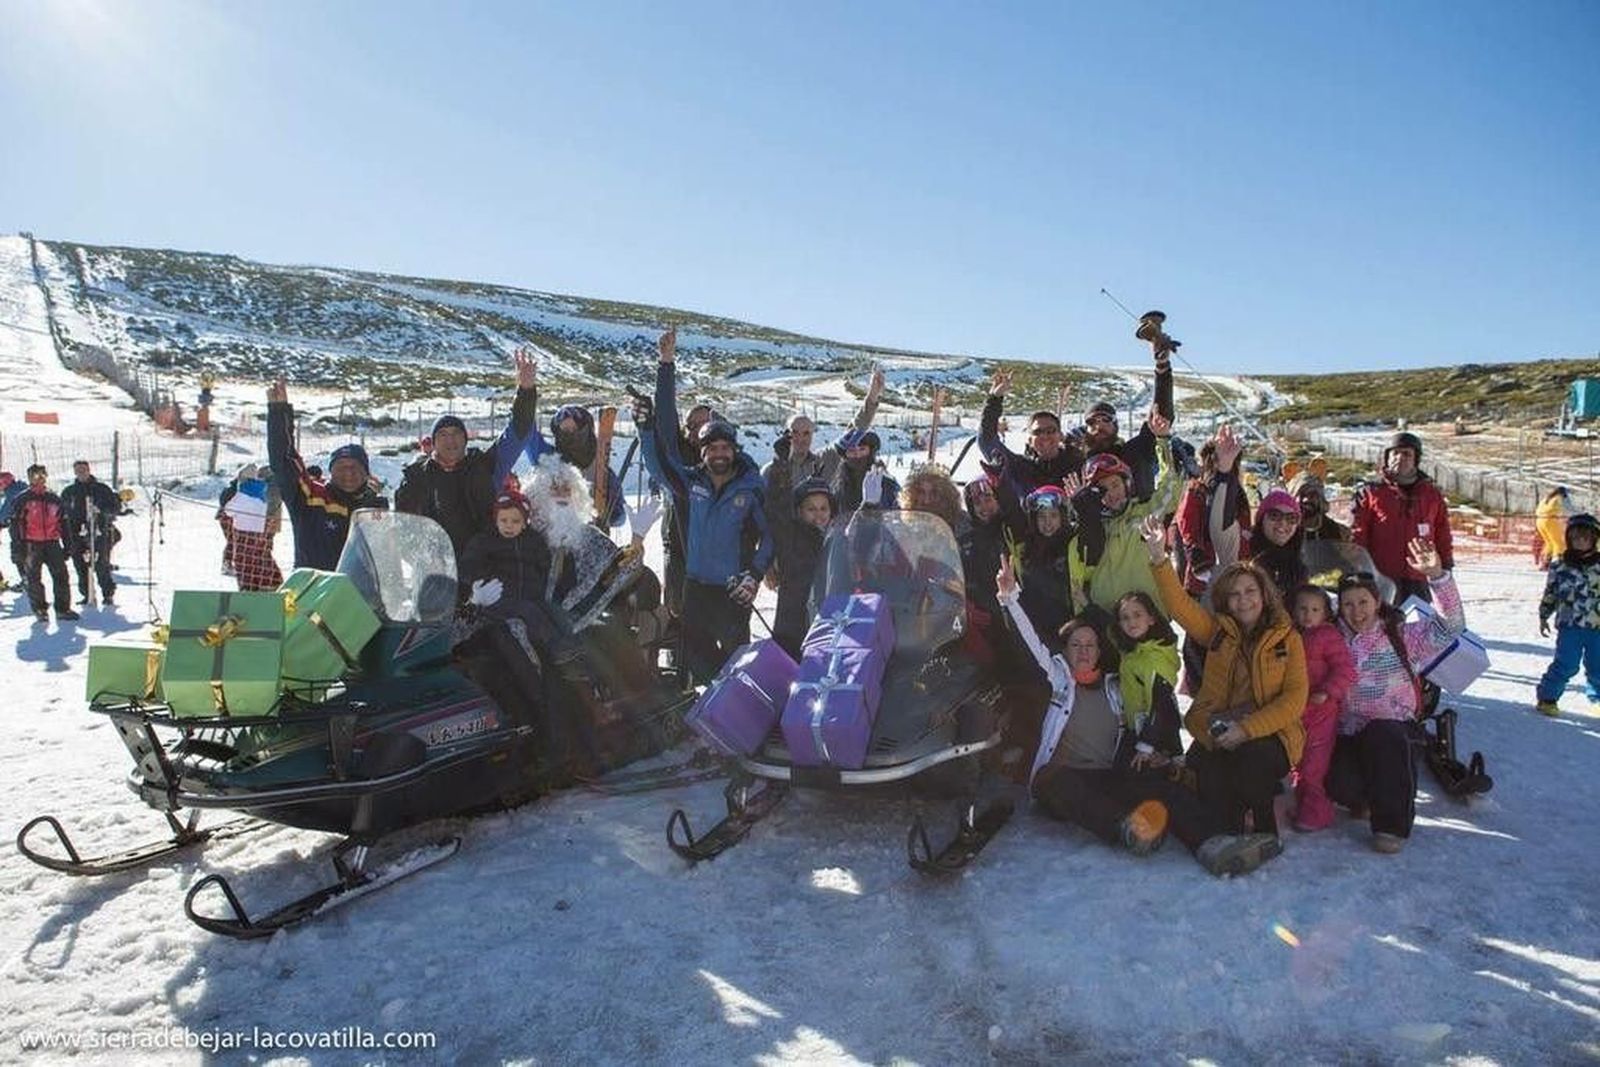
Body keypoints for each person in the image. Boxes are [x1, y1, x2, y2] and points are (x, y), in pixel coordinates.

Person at [999, 555, 1283, 876]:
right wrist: (1009, 598)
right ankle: (1126, 830)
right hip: (1068, 780)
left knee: (1162, 789)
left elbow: (1149, 716)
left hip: (1109, 776)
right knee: (1057, 781)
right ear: (1065, 650)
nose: (1083, 650)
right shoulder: (1058, 681)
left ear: (1099, 651)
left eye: (1090, 645)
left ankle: (1215, 844)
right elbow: (1031, 644)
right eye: (1075, 644)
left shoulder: (1117, 687)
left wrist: (1158, 753)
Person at [1142, 514, 1308, 838]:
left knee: (1250, 758)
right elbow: (1179, 607)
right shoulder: (1218, 633)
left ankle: (1264, 828)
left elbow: (1294, 700)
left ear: (1264, 595)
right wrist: (1159, 557)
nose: (1243, 600)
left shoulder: (1287, 638)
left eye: (1250, 591)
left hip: (1271, 735)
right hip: (1219, 727)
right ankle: (1231, 825)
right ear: (1225, 601)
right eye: (1235, 594)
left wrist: (1245, 730)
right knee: (1210, 779)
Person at [640, 327, 771, 684]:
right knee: (693, 651)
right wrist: (645, 427)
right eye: (710, 446)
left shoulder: (750, 484)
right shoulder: (689, 476)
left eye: (724, 447)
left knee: (735, 656)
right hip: (691, 573)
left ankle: (737, 715)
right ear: (699, 446)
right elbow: (660, 455)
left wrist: (755, 573)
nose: (718, 452)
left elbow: (769, 534)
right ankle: (706, 708)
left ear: (734, 449)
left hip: (730, 585)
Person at [1328, 541, 1460, 853]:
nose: (1356, 611)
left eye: (1363, 602)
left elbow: (1452, 627)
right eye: (1348, 604)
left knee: (1383, 734)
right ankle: (1367, 795)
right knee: (1337, 784)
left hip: (1395, 732)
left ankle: (1391, 825)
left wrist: (1438, 576)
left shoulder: (1401, 635)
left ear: (1376, 602)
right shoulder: (1331, 637)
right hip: (1348, 732)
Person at [397, 350, 539, 561]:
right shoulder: (416, 476)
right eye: (443, 435)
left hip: (484, 565)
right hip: (435, 570)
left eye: (456, 434)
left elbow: (518, 431)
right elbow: (404, 526)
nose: (450, 440)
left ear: (465, 440)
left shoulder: (485, 465)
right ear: (433, 442)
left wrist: (526, 391)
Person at [763, 370, 885, 579]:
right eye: (794, 432)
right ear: (786, 434)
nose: (800, 438)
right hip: (787, 556)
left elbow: (853, 431)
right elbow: (765, 517)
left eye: (806, 433)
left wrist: (872, 397)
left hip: (821, 554)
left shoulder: (823, 461)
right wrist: (767, 562)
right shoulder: (771, 470)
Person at [1066, 413, 1179, 620]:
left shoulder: (1146, 514)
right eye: (1101, 489)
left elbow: (1170, 489)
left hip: (1150, 626)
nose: (1111, 493)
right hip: (1106, 628)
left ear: (1127, 485)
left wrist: (1162, 442)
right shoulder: (1091, 529)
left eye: (1115, 485)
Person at [267, 378, 390, 570]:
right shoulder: (311, 497)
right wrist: (279, 412)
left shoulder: (375, 506)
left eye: (355, 467)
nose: (348, 473)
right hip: (312, 593)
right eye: (341, 467)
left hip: (360, 595)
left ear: (366, 473)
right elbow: (284, 460)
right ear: (330, 472)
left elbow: (389, 555)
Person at [1286, 584, 1357, 832]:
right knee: (1297, 760)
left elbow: (1345, 669)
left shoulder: (1328, 636)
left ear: (1325, 613)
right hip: (1295, 709)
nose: (1308, 614)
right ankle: (1302, 803)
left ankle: (1317, 812)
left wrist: (1327, 691)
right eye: (1302, 608)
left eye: (1315, 609)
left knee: (1314, 764)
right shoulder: (1289, 634)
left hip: (1321, 712)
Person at [1352, 431, 1454, 603]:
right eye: (1395, 453)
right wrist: (1359, 568)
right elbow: (1358, 533)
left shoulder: (1431, 494)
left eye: (1406, 454)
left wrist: (1445, 565)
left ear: (1415, 459)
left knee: (1419, 624)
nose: (1400, 458)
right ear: (1387, 458)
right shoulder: (1371, 492)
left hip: (1421, 577)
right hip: (1382, 578)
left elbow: (1442, 532)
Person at [978, 370, 1084, 502]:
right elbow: (987, 441)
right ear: (1029, 440)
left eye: (1051, 430)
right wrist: (994, 399)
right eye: (1037, 432)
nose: (1044, 436)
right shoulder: (1018, 467)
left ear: (1061, 436)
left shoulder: (1078, 466)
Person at [1535, 512, 1600, 717]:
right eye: (1576, 537)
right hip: (1570, 625)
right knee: (1567, 664)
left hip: (1596, 626)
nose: (1581, 541)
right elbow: (1551, 593)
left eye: (1586, 536)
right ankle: (1547, 698)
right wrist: (1544, 614)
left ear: (1594, 539)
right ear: (1569, 539)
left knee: (1598, 665)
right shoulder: (1560, 565)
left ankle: (1597, 697)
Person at [772, 477, 836, 659]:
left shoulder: (836, 539)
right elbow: (776, 514)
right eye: (811, 509)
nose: (819, 514)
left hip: (825, 618)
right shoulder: (791, 536)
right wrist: (780, 477)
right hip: (793, 623)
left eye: (824, 508)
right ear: (799, 511)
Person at [1007, 484, 1077, 650]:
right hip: (1037, 628)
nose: (1047, 523)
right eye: (1042, 517)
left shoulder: (1073, 546)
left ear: (1063, 517)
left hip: (1070, 626)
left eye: (1053, 516)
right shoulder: (1026, 551)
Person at [1109, 591, 1181, 750]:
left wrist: (1147, 746)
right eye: (1125, 618)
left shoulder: (1155, 658)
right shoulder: (1134, 654)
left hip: (1156, 739)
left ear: (1151, 619)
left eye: (1137, 615)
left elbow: (1161, 704)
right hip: (1136, 731)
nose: (1131, 622)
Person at [14, 465, 78, 621]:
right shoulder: (23, 499)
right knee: (34, 578)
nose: (39, 479)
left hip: (52, 543)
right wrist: (18, 548)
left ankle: (63, 609)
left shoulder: (54, 499)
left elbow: (63, 524)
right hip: (31, 544)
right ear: (29, 478)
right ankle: (40, 609)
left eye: (42, 475)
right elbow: (16, 526)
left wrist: (68, 545)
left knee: (61, 576)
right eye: (35, 476)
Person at [59, 459, 122, 605]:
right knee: (81, 566)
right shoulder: (69, 492)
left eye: (84, 470)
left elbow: (115, 508)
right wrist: (67, 540)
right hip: (76, 534)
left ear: (89, 470)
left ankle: (107, 594)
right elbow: (63, 515)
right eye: (78, 470)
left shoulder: (101, 489)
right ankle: (87, 594)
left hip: (99, 532)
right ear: (75, 472)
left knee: (101, 564)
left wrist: (102, 511)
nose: (81, 473)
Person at [218, 464, 285, 591]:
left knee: (243, 562)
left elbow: (228, 511)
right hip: (260, 533)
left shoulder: (242, 495)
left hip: (243, 533)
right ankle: (268, 584)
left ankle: (247, 590)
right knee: (260, 558)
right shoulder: (262, 496)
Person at [1243, 488, 1308, 595]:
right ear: (1261, 519)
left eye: (1291, 518)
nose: (1282, 523)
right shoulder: (1244, 553)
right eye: (1275, 515)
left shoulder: (1297, 565)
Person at [1288, 470, 1349, 543]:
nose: (1306, 500)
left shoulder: (1337, 530)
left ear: (1320, 498)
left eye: (1312, 495)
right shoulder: (1284, 529)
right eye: (1302, 494)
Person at [0, 471, 28, 591]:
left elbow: (5, 512)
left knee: (18, 554)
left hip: (19, 528)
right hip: (30, 528)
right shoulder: (23, 488)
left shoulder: (12, 493)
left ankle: (26, 580)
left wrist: (2, 522)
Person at [1534, 487, 1573, 571]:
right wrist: (1581, 513)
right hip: (1550, 520)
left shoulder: (1546, 498)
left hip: (1540, 521)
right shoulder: (1559, 498)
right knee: (1558, 543)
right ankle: (1557, 563)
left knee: (1549, 543)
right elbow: (1569, 509)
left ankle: (1545, 562)